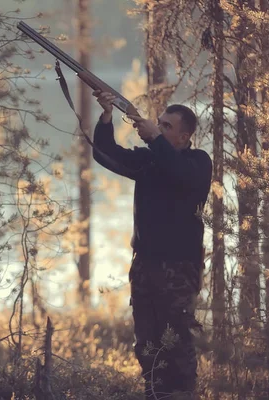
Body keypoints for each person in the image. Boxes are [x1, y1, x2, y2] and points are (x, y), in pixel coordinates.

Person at [91, 90, 212, 400]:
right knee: (147, 345)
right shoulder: (148, 161)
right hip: (144, 267)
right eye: (159, 123)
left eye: (167, 126)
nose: (159, 128)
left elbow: (182, 176)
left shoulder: (198, 163)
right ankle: (154, 394)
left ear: (184, 136)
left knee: (178, 344)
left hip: (179, 270)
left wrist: (156, 139)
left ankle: (182, 395)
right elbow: (105, 154)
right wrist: (106, 116)